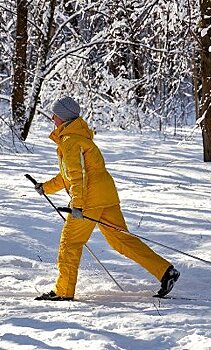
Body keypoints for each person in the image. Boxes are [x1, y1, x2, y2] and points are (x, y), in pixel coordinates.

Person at [33, 96, 180, 301]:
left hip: (89, 200)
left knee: (70, 243)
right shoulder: (80, 137)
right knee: (122, 240)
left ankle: (64, 291)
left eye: (55, 115)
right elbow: (69, 175)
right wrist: (46, 187)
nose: (52, 118)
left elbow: (77, 176)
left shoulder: (69, 141)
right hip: (106, 196)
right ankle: (165, 272)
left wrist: (77, 204)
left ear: (63, 117)